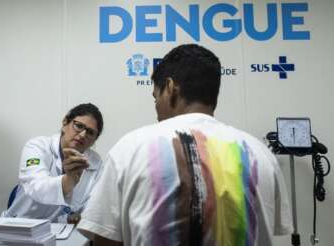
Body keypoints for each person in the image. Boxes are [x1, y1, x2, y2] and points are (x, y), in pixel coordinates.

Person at [77, 44, 293, 245]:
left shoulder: (130, 149)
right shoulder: (260, 153)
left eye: (156, 98)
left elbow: (105, 239)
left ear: (170, 88)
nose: (156, 107)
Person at [1, 103, 104, 224]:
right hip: (22, 227)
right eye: (79, 126)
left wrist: (83, 216)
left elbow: (94, 205)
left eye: (90, 132)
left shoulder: (95, 163)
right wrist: (68, 179)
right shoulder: (37, 147)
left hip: (64, 233)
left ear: (94, 140)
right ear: (65, 123)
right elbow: (36, 187)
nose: (83, 135)